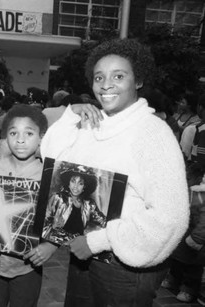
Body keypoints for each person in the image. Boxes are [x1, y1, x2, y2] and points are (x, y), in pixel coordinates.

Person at [40, 38, 189, 306]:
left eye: (118, 76)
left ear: (138, 80)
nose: (106, 84)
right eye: (99, 77)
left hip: (123, 268)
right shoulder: (93, 125)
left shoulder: (152, 133)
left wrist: (99, 240)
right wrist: (71, 115)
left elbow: (171, 217)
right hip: (84, 255)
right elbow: (52, 161)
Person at [0, 104, 54, 307]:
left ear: (41, 137)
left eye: (29, 133)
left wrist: (50, 246)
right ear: (6, 137)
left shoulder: (48, 176)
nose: (20, 140)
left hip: (27, 265)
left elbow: (58, 218)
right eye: (13, 133)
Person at [42, 164, 106, 245]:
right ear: (68, 183)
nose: (75, 186)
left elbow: (104, 222)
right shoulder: (57, 198)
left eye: (80, 183)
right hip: (56, 244)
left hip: (76, 247)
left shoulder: (89, 204)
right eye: (73, 181)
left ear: (84, 187)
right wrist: (53, 226)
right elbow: (42, 221)